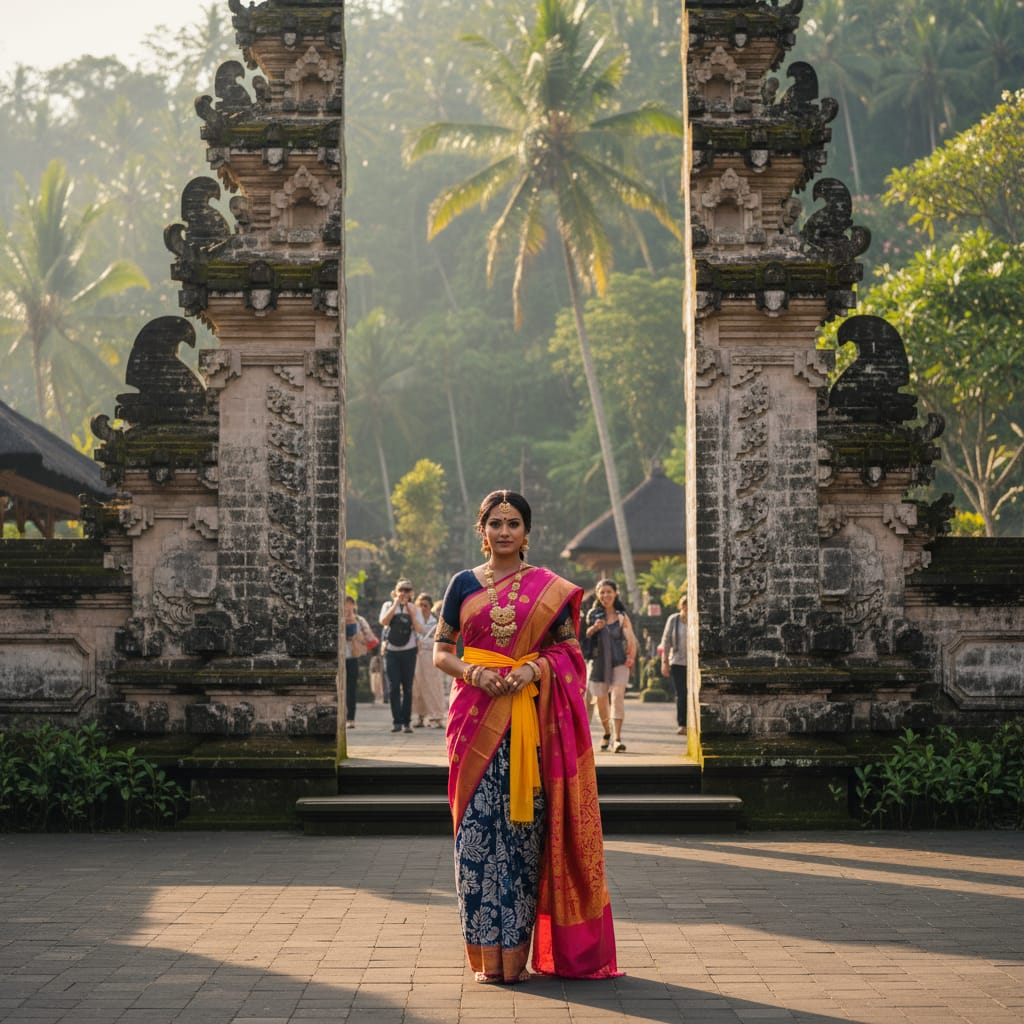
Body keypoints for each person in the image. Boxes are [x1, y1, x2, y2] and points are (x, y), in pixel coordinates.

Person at [433, 489, 620, 984]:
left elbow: (571, 655)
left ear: (527, 532)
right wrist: (474, 674)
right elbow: (441, 652)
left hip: (526, 731)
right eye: (495, 523)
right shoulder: (461, 584)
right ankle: (482, 959)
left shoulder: (549, 588)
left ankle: (515, 958)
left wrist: (534, 668)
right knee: (473, 842)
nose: (504, 532)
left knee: (519, 843)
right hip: (472, 721)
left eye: (513, 523)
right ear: (482, 530)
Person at [582, 579, 637, 753]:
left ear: (615, 593)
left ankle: (618, 738)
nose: (606, 595)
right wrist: (594, 628)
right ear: (598, 595)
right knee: (601, 700)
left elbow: (631, 638)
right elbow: (585, 635)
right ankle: (607, 732)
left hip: (619, 661)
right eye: (602, 592)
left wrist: (631, 657)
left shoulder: (622, 616)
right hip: (598, 663)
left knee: (618, 697)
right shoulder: (592, 614)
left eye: (609, 592)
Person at [379, 578, 426, 733]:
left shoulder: (414, 608)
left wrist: (411, 612)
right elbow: (384, 622)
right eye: (401, 590)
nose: (404, 593)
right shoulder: (388, 605)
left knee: (407, 687)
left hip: (409, 651)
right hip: (391, 651)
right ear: (396, 591)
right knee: (393, 688)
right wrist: (395, 605)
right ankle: (396, 721)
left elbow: (420, 629)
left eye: (407, 590)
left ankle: (406, 722)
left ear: (411, 593)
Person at [412, 592, 446, 728]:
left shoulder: (436, 622)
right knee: (417, 687)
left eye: (426, 605)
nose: (423, 608)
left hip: (431, 656)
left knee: (433, 686)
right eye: (420, 605)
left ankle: (437, 717)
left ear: (430, 606)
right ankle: (420, 717)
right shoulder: (414, 620)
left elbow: (441, 639)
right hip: (416, 656)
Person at [343, 596, 376, 728]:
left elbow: (370, 638)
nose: (347, 606)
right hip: (339, 658)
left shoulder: (359, 620)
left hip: (353, 656)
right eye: (345, 603)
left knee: (351, 689)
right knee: (340, 689)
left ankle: (350, 718)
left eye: (350, 603)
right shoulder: (336, 618)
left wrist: (360, 637)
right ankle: (341, 717)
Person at [660, 594, 688, 736]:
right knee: (681, 693)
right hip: (677, 662)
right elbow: (666, 641)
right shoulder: (674, 619)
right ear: (681, 606)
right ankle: (682, 723)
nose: (687, 608)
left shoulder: (696, 619)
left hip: (693, 663)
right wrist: (664, 662)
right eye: (685, 604)